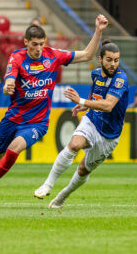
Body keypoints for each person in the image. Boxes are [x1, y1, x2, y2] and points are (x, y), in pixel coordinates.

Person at [0, 14, 109, 207]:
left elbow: (86, 55)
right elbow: (9, 80)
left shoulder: (53, 55)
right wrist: (7, 86)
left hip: (37, 122)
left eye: (41, 44)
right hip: (13, 118)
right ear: (26, 42)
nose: (38, 49)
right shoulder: (16, 57)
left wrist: (98, 31)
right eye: (34, 44)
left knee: (15, 148)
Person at [33, 39, 129, 210]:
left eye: (116, 60)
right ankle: (47, 184)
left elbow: (108, 105)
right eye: (109, 59)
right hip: (92, 121)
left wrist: (81, 100)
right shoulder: (96, 74)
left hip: (109, 136)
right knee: (74, 144)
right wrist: (85, 105)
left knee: (84, 169)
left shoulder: (121, 78)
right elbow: (97, 96)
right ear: (100, 59)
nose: (113, 64)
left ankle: (63, 195)